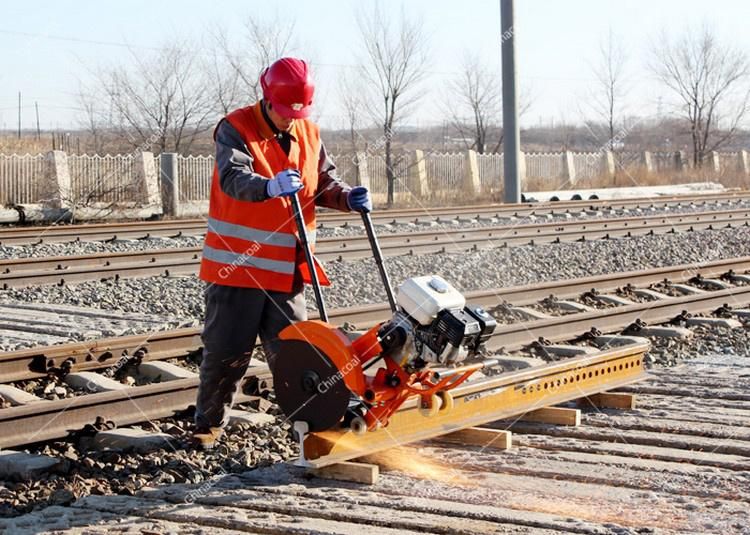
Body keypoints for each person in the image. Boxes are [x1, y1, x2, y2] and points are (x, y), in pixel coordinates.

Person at [193, 57, 372, 448]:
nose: (291, 120)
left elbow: (322, 182)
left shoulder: (308, 132)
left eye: (298, 112)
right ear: (267, 98)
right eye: (285, 111)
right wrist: (268, 186)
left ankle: (314, 428)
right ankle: (208, 425)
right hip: (238, 270)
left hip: (287, 272)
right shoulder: (235, 128)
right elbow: (233, 178)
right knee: (227, 354)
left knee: (300, 355)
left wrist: (346, 197)